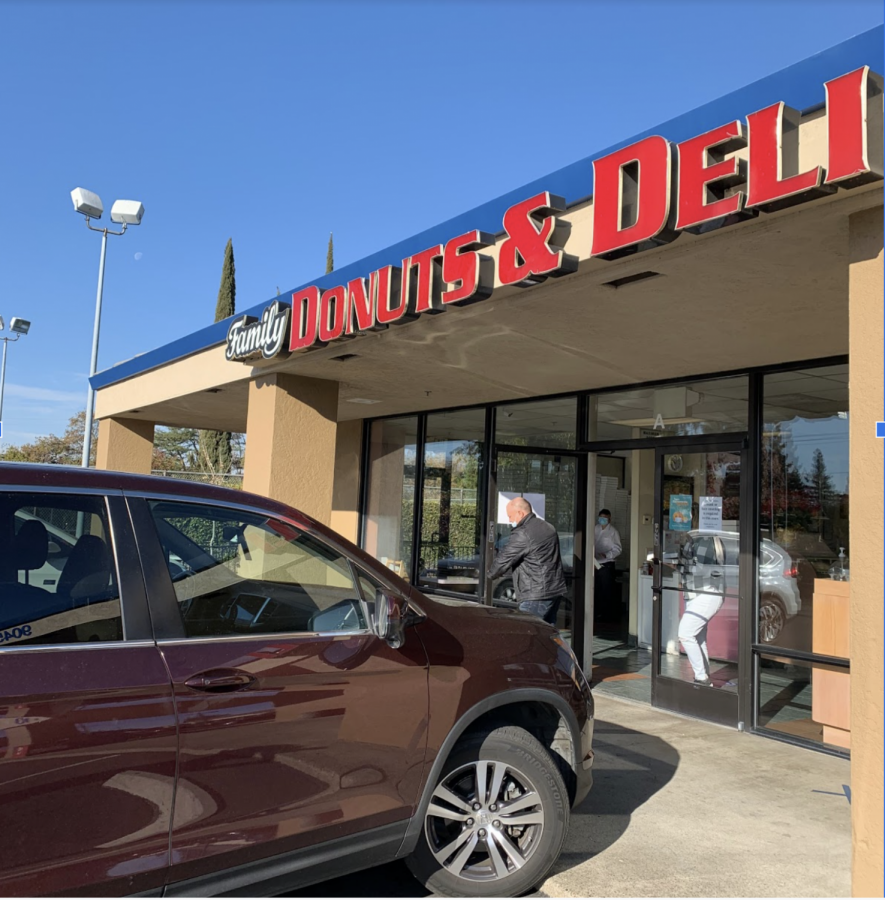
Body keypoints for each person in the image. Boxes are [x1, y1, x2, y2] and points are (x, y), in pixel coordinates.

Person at [488, 497, 567, 625]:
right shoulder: (548, 527)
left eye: (510, 516)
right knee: (547, 634)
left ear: (520, 513)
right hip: (554, 590)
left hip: (535, 594)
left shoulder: (523, 533)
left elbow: (505, 558)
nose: (509, 520)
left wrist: (490, 574)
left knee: (526, 632)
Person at [677, 534, 726, 686]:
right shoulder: (696, 541)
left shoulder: (705, 541)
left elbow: (704, 570)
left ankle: (702, 678)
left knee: (685, 634)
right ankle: (704, 676)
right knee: (698, 638)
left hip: (705, 593)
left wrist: (676, 565)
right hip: (696, 593)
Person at [593, 508, 622, 622]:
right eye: (601, 518)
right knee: (595, 589)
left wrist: (607, 555)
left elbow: (618, 549)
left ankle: (606, 616)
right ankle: (596, 613)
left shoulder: (613, 532)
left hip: (607, 564)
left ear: (609, 519)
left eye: (604, 518)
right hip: (594, 562)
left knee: (606, 590)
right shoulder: (595, 528)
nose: (602, 520)